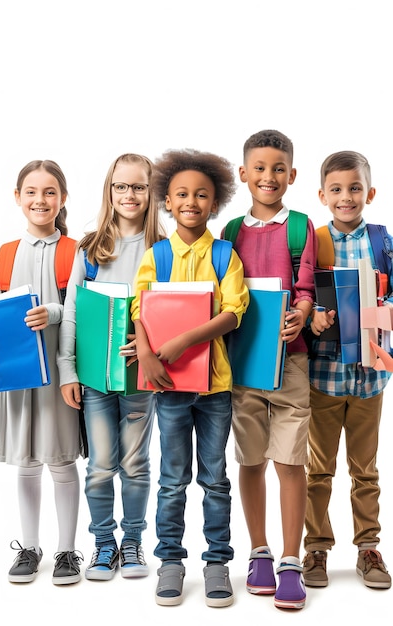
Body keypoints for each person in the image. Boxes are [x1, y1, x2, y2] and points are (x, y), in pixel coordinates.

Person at [131, 148, 249, 607]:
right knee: (171, 479)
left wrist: (183, 341)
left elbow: (235, 312)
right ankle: (171, 562)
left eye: (202, 195)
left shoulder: (225, 255)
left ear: (215, 203)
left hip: (215, 386)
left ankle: (217, 561)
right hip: (169, 387)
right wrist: (147, 353)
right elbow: (139, 307)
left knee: (215, 478)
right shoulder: (157, 255)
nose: (191, 202)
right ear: (166, 200)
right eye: (181, 194)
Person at [58, 153, 164, 582]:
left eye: (138, 186)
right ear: (109, 190)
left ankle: (133, 543)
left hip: (141, 376)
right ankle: (104, 544)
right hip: (95, 376)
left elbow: (172, 311)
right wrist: (67, 370)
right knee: (101, 463)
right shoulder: (90, 248)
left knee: (136, 464)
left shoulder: (164, 248)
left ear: (151, 191)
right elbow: (71, 314)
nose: (129, 195)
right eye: (121, 186)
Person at [223, 130, 317, 610]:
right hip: (243, 365)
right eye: (259, 168)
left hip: (292, 361)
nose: (268, 176)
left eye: (278, 168)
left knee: (291, 461)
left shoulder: (301, 227)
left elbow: (305, 288)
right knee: (252, 458)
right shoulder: (230, 233)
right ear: (243, 174)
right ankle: (258, 551)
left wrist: (301, 313)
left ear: (292, 175)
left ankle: (289, 560)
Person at [0, 160, 84, 585]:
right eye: (31, 191)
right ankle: (29, 547)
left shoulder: (74, 250)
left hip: (57, 370)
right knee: (26, 463)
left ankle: (67, 551)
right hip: (19, 372)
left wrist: (54, 311)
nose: (39, 200)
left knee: (61, 461)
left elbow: (79, 308)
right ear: (17, 197)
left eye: (49, 192)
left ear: (62, 199)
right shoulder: (6, 252)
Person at [303, 150, 392, 590]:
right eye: (336, 190)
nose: (346, 197)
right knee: (318, 469)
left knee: (365, 469)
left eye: (355, 188)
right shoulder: (314, 240)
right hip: (324, 375)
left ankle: (368, 548)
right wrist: (313, 315)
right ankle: (315, 548)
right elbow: (302, 294)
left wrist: (382, 310)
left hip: (370, 377)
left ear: (369, 192)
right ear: (322, 195)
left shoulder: (382, 239)